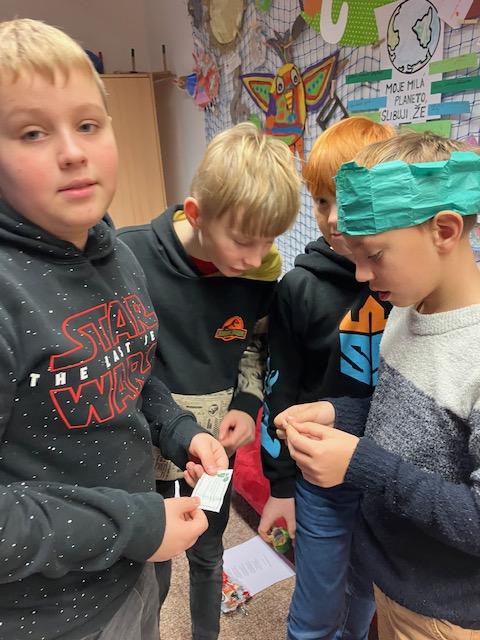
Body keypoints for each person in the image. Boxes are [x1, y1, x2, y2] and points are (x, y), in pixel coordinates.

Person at [0, 18, 228, 640]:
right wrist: (139, 526)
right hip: (49, 617)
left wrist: (180, 432)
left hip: (130, 573)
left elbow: (128, 371)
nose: (72, 151)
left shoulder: (118, 256)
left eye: (87, 125)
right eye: (32, 132)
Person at [279, 132, 480, 638]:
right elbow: (406, 425)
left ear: (445, 230)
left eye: (374, 255)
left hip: (443, 613)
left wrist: (359, 464)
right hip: (388, 576)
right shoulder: (406, 309)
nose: (361, 275)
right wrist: (338, 414)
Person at [118, 122, 301, 639]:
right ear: (197, 215)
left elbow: (256, 344)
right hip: (146, 447)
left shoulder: (259, 269)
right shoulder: (128, 257)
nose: (256, 257)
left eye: (269, 241)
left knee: (207, 551)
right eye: (243, 241)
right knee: (152, 563)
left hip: (215, 452)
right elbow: (122, 364)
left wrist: (247, 402)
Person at [258, 117, 395, 640]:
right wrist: (280, 485)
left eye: (348, 199)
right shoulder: (298, 288)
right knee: (317, 609)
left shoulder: (405, 283)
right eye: (320, 201)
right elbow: (280, 388)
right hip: (319, 481)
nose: (333, 218)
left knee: (362, 596)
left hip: (383, 475)